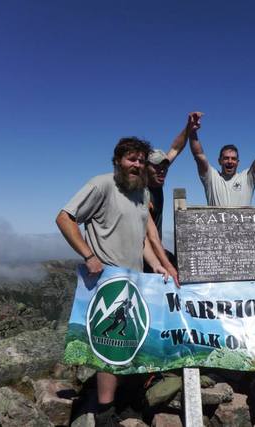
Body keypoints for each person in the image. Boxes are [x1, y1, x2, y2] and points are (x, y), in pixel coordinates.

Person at [56, 137, 167, 426]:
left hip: (134, 279)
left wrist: (155, 264)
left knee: (131, 341)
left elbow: (142, 237)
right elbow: (65, 218)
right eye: (132, 159)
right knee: (110, 345)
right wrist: (88, 254)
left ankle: (126, 401)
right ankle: (105, 410)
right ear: (118, 160)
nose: (137, 165)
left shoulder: (141, 194)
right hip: (106, 279)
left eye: (141, 161)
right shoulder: (102, 184)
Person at [145, 112, 203, 284]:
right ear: (145, 168)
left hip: (156, 250)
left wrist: (188, 127)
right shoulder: (143, 194)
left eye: (165, 167)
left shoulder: (156, 180)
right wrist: (166, 264)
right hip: (145, 256)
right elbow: (150, 237)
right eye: (156, 167)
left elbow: (176, 148)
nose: (162, 170)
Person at [189, 113, 255, 206]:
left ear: (238, 162)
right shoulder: (211, 177)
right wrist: (192, 131)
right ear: (220, 161)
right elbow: (199, 155)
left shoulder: (247, 178)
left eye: (233, 159)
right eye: (226, 158)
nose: (230, 161)